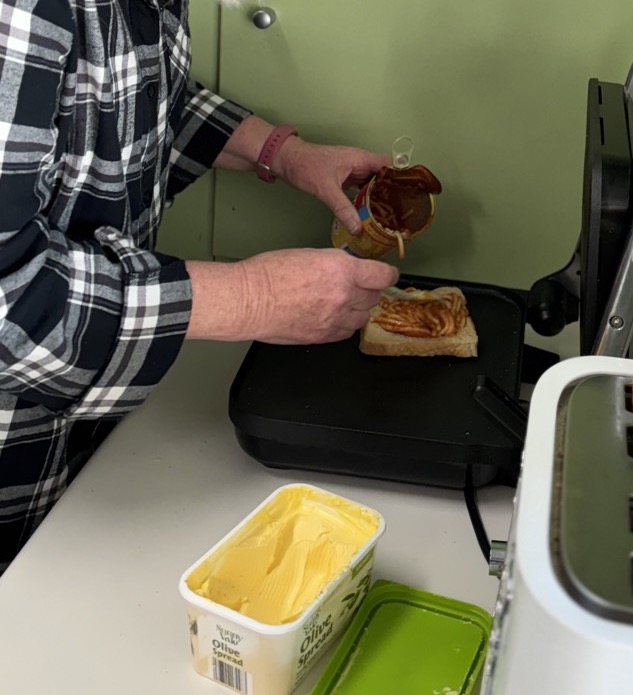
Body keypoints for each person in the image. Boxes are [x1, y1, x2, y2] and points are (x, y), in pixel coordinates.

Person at [0, 0, 400, 574]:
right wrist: (253, 298)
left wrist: (285, 154)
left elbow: (141, 100)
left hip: (79, 456)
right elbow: (9, 299)